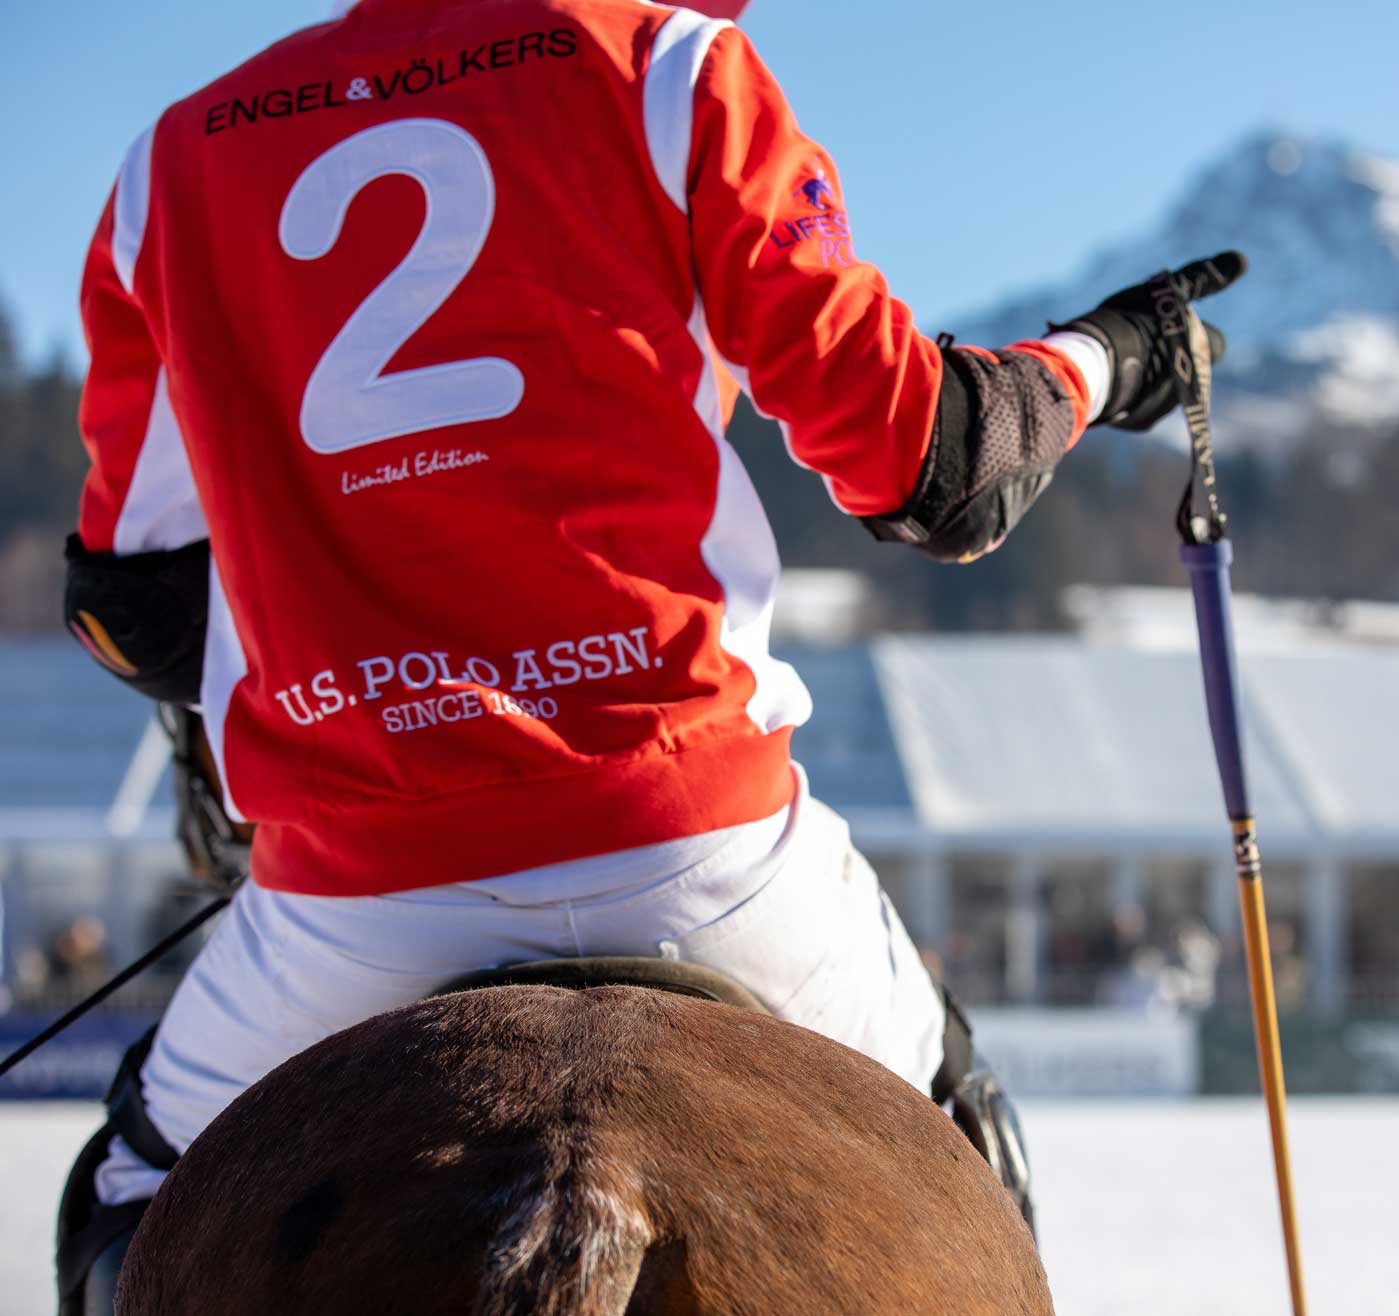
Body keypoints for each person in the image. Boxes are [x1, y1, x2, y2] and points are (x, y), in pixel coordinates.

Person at [52, 1, 1245, 1309]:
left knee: (125, 1201)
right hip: (698, 850)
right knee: (962, 1151)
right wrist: (1115, 353)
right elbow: (937, 472)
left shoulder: (173, 158)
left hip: (357, 899)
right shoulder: (667, 65)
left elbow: (139, 612)